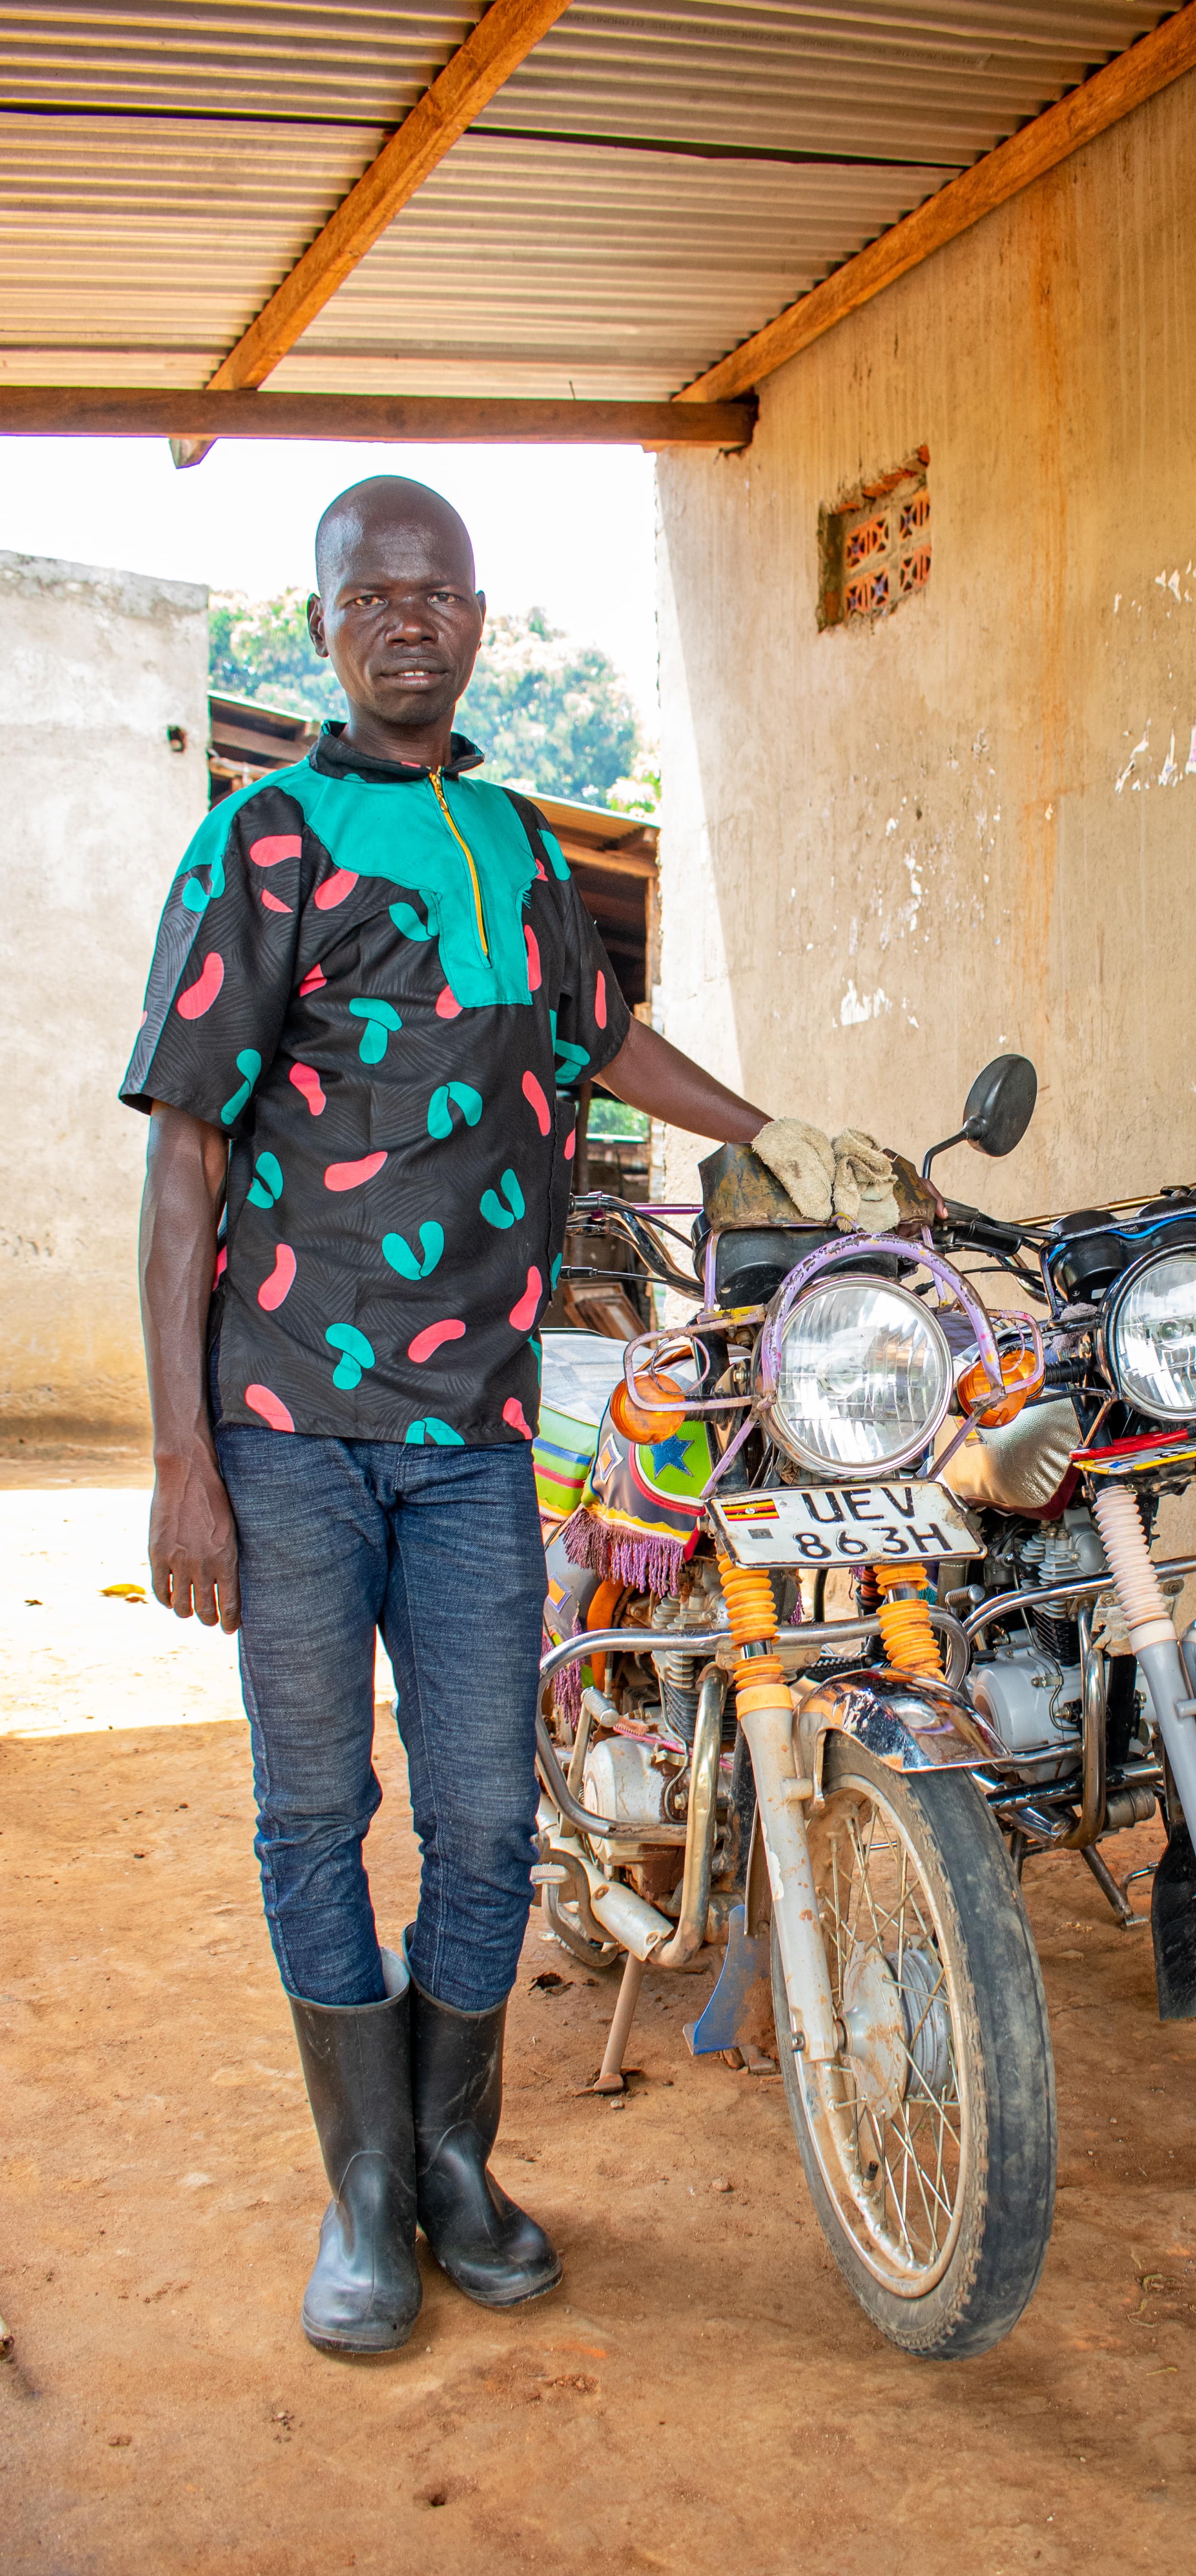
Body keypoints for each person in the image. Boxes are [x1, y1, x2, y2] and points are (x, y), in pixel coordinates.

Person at [123, 477, 778, 2356]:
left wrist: (772, 1133)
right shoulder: (261, 839)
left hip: (480, 1433)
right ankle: (361, 2193)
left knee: (493, 1820)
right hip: (291, 1428)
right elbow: (184, 1163)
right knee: (316, 1813)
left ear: (479, 620)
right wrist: (184, 1459)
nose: (411, 621)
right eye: (372, 596)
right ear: (325, 627)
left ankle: (456, 2158)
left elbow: (595, 1036)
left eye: (442, 593)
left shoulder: (512, 834)